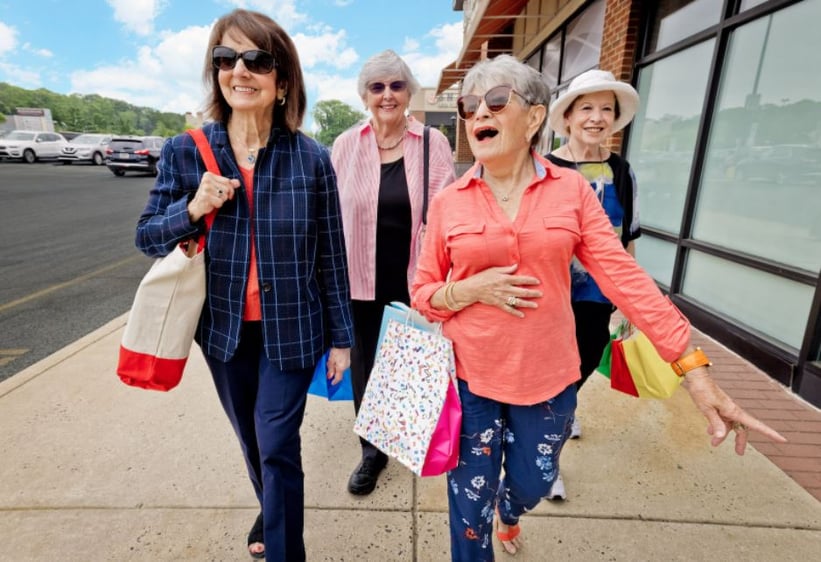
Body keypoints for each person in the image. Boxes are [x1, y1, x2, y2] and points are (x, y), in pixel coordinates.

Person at [410, 54, 786, 561]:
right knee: (467, 508)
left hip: (548, 374)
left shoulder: (570, 192)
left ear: (535, 118)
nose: (480, 113)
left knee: (535, 481)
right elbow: (423, 291)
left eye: (497, 101)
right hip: (469, 374)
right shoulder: (450, 200)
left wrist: (693, 369)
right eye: (469, 106)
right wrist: (468, 291)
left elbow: (623, 276)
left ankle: (513, 508)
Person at [135, 9, 354, 561]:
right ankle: (273, 507)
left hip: (294, 332)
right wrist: (193, 207)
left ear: (282, 81)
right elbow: (146, 237)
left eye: (257, 59)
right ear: (216, 73)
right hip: (225, 333)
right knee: (254, 441)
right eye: (226, 59)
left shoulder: (313, 159)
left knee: (278, 441)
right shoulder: (186, 151)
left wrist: (343, 337)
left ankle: (285, 550)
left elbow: (332, 254)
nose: (241, 70)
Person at [331, 50, 456, 496]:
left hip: (412, 275)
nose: (387, 95)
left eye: (396, 86)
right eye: (378, 87)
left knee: (408, 361)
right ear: (365, 95)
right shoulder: (346, 144)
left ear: (409, 92)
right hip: (358, 275)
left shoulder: (432, 144)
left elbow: (445, 214)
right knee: (365, 363)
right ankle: (371, 451)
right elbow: (328, 216)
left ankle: (403, 434)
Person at [543, 69, 643, 500]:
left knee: (581, 365)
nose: (596, 118)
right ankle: (547, 461)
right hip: (546, 293)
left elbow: (627, 240)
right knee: (546, 375)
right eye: (586, 108)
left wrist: (630, 301)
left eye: (606, 109)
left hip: (596, 295)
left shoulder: (622, 171)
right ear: (567, 117)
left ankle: (562, 409)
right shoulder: (543, 167)